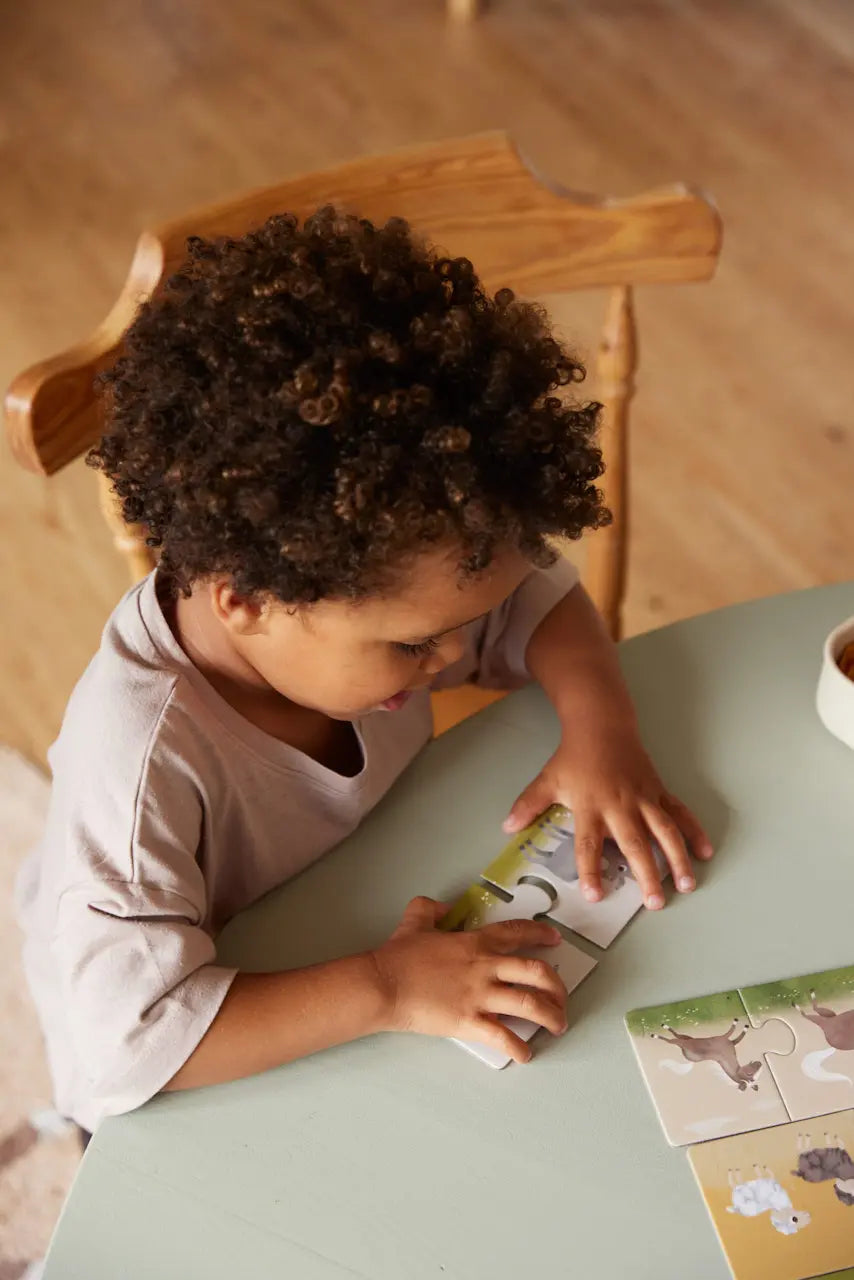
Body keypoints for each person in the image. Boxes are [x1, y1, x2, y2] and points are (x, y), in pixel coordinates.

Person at [16, 208, 713, 1139]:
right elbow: (129, 1042)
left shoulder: (374, 589)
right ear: (247, 596)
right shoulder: (138, 772)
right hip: (198, 1034)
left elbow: (536, 599)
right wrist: (387, 986)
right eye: (415, 645)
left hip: (348, 899)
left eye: (462, 630)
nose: (458, 658)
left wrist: (601, 732)